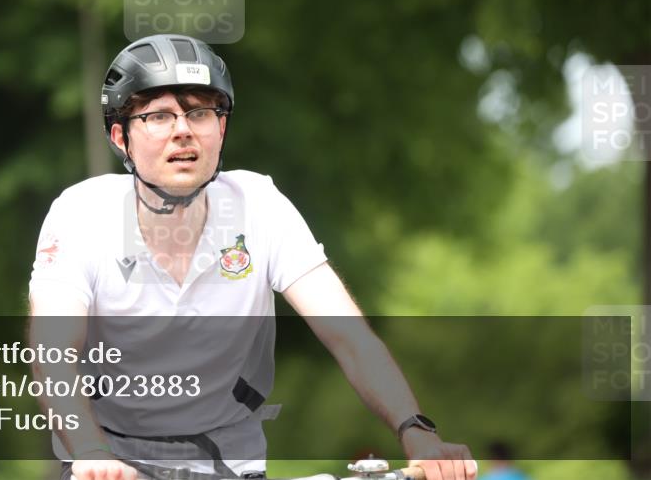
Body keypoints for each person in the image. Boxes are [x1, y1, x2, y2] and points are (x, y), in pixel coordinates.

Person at [29, 34, 477, 480]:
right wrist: (90, 452)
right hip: (112, 466)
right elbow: (53, 349)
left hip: (232, 467)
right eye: (158, 115)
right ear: (120, 137)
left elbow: (350, 337)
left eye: (200, 113)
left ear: (221, 129)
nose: (183, 130)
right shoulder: (81, 213)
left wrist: (417, 432)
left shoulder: (259, 205)